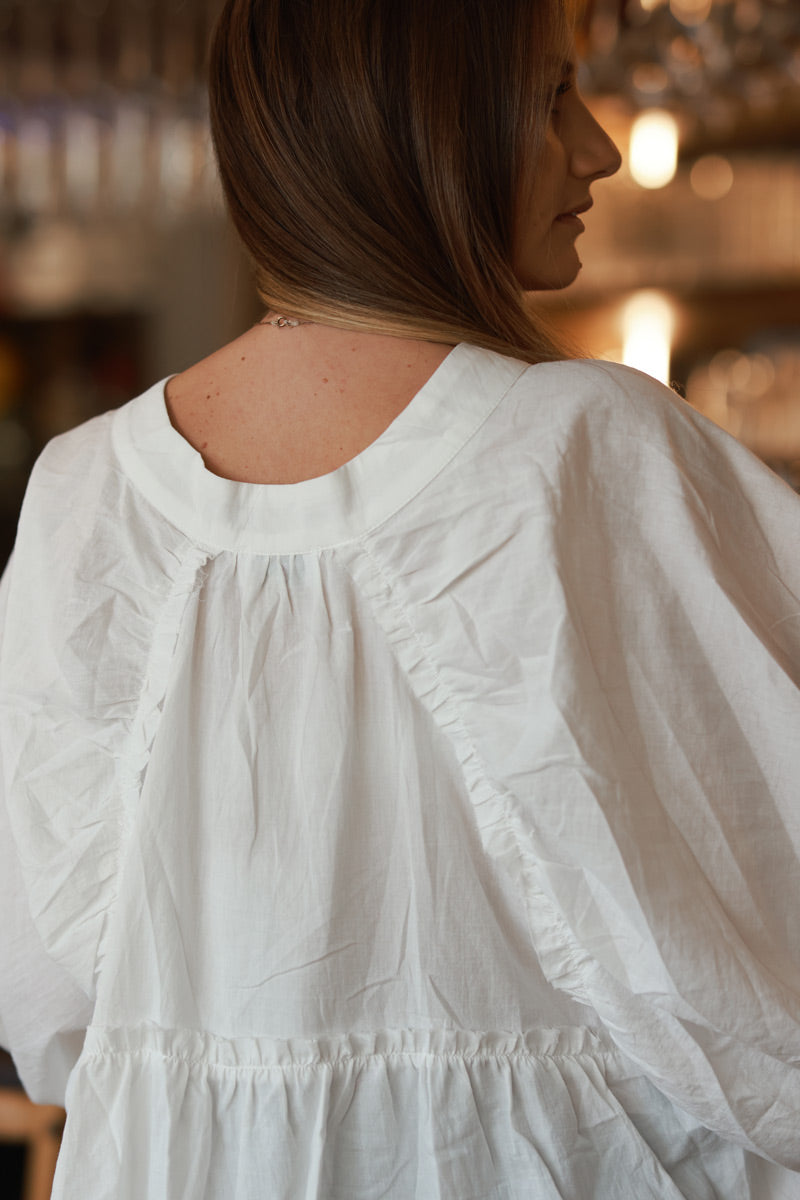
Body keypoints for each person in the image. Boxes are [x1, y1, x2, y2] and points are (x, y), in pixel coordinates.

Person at [1, 0, 799, 1195]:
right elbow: (758, 979)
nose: (594, 149)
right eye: (546, 98)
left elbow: (53, 1017)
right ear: (416, 128)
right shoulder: (589, 451)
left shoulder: (83, 494)